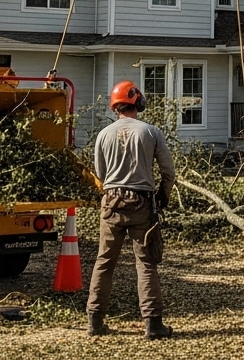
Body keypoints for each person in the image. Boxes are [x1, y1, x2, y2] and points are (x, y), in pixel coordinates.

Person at [86, 80, 176, 340]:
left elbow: (101, 175)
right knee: (146, 264)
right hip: (141, 203)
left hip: (111, 202)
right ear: (137, 100)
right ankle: (153, 325)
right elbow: (168, 172)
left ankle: (95, 321)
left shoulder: (104, 134)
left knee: (104, 262)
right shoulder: (151, 132)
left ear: (115, 106)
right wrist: (163, 195)